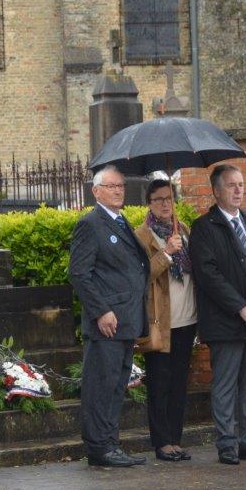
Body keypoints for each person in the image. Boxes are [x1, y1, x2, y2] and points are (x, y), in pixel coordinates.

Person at [189, 164, 246, 465]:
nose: (238, 190)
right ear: (216, 191)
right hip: (226, 322)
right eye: (231, 185)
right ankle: (227, 443)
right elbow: (208, 275)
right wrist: (240, 307)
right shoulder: (204, 228)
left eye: (241, 184)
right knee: (226, 384)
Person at [68, 167, 149, 468]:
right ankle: (99, 447)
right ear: (96, 190)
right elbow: (79, 273)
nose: (118, 191)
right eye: (111, 186)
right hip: (108, 320)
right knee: (101, 385)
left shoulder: (121, 220)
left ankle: (109, 443)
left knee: (116, 385)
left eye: (121, 186)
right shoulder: (91, 223)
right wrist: (101, 310)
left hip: (127, 319)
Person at [135, 176, 197, 462]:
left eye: (169, 198)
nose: (164, 204)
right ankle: (161, 443)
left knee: (179, 384)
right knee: (160, 383)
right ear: (149, 203)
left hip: (187, 319)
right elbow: (140, 274)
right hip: (160, 322)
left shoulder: (182, 229)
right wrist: (167, 253)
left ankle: (175, 439)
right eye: (158, 199)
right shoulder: (142, 236)